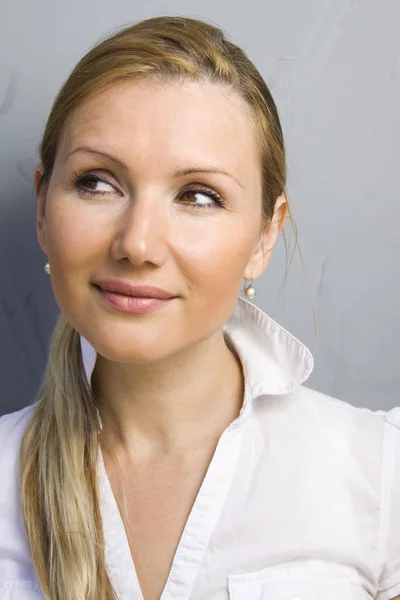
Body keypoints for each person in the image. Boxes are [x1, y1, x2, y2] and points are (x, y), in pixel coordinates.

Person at [0, 15, 399, 600]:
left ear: (265, 236)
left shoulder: (382, 474)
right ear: (42, 208)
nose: (136, 244)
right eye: (97, 183)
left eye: (198, 196)